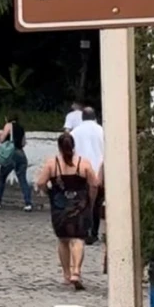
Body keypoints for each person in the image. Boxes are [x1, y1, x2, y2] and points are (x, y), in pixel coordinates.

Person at [35, 133, 100, 290]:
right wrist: (90, 200)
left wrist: (49, 193)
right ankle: (76, 271)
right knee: (78, 239)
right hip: (80, 204)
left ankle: (66, 274)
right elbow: (94, 184)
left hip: (60, 205)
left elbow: (41, 182)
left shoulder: (52, 164)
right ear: (73, 146)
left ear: (59, 147)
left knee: (63, 239)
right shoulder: (83, 164)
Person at [70, 107, 106, 245]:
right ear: (95, 116)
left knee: (81, 203)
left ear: (82, 117)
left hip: (81, 173)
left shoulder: (74, 132)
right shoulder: (102, 131)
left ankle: (82, 231)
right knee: (96, 204)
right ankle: (94, 232)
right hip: (99, 173)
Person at [0, 115, 33, 212]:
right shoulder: (21, 128)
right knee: (22, 179)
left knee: (2, 177)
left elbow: (2, 139)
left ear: (7, 118)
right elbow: (23, 143)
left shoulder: (8, 125)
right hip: (21, 154)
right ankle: (28, 203)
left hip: (11, 154)